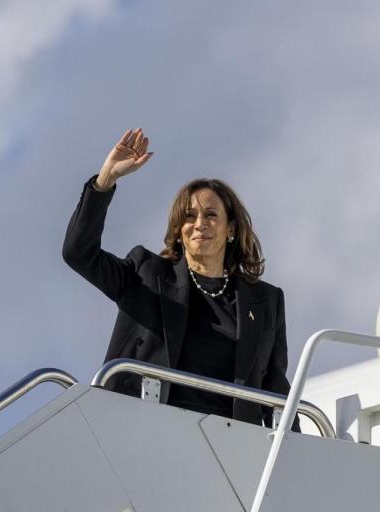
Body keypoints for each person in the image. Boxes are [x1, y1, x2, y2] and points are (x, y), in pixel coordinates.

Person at [63, 128, 295, 429]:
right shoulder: (145, 274)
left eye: (211, 215)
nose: (200, 224)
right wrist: (106, 179)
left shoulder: (266, 300)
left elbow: (275, 390)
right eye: (189, 216)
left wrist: (296, 457)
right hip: (142, 433)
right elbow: (78, 254)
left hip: (233, 448)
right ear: (178, 229)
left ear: (231, 229)